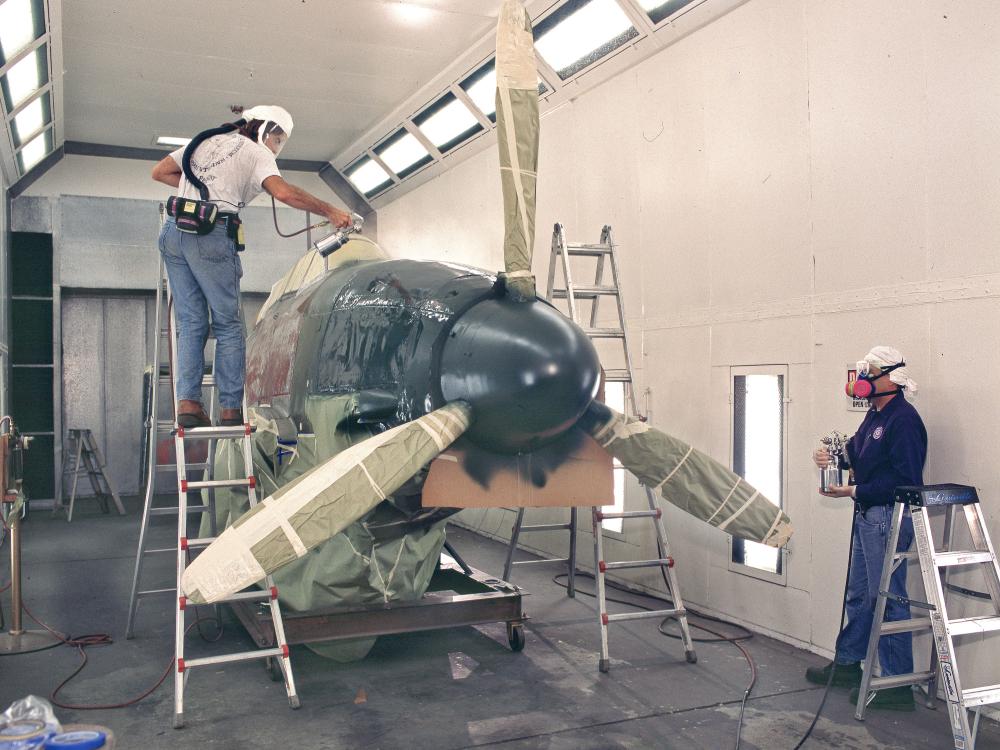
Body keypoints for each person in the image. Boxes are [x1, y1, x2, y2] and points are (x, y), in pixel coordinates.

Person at [152, 105, 351, 427]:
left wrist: (206, 193)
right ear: (266, 130)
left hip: (174, 231)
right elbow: (284, 193)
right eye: (278, 138)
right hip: (211, 234)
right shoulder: (257, 153)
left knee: (190, 323)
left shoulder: (205, 141)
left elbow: (160, 172)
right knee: (228, 325)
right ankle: (231, 410)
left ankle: (188, 404)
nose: (277, 145)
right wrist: (330, 211)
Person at [807, 346, 926, 712]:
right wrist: (830, 456)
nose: (862, 380)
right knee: (859, 594)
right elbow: (858, 453)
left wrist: (855, 490)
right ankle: (848, 662)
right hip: (867, 516)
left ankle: (896, 683)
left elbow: (907, 482)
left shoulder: (903, 420)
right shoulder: (875, 416)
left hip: (887, 517)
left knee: (887, 597)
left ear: (890, 377)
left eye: (870, 372)